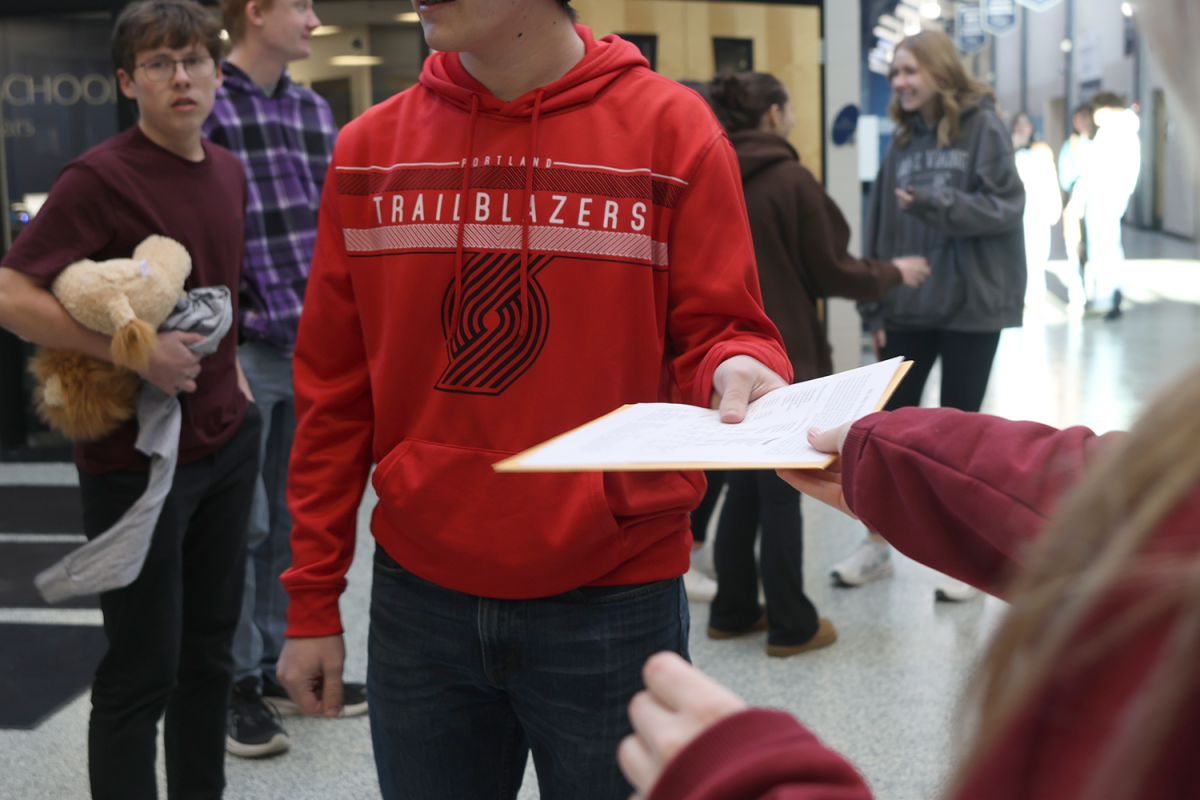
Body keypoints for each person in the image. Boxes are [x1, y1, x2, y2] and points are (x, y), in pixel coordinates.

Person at [273, 0, 793, 797]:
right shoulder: (370, 149)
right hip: (421, 595)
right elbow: (334, 394)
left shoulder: (670, 128)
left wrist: (740, 365)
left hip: (614, 596)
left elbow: (725, 327)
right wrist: (313, 599)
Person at [0, 2, 258, 797]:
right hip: (136, 461)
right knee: (142, 668)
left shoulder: (227, 169)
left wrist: (238, 380)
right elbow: (11, 292)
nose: (180, 77)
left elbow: (223, 293)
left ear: (218, 72)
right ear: (127, 80)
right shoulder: (99, 178)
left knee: (208, 658)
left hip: (224, 441)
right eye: (158, 64)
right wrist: (131, 353)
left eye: (193, 60)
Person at [702, 71, 930, 656]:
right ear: (775, 115)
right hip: (785, 356)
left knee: (741, 488)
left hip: (726, 356)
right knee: (781, 491)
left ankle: (731, 609)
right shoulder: (789, 179)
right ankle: (791, 624)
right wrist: (891, 272)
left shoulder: (709, 171)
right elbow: (831, 267)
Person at [202, 0, 350, 759]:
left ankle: (270, 666)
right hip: (246, 346)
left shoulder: (312, 107)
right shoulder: (211, 102)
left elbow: (333, 228)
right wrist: (220, 348)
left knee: (293, 520)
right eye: (302, 6)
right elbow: (198, 235)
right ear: (256, 13)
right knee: (244, 523)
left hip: (311, 344)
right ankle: (229, 680)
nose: (316, 20)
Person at [834, 30, 1025, 600]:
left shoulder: (983, 128)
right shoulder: (902, 141)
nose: (900, 82)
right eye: (894, 73)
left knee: (963, 436)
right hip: (911, 306)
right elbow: (880, 229)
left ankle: (967, 558)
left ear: (941, 72)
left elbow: (1007, 207)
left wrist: (939, 202)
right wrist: (874, 309)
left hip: (973, 305)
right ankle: (875, 545)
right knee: (884, 428)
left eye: (910, 71)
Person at [1067, 92, 1142, 320]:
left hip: (1105, 197)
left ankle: (1107, 300)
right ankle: (1109, 298)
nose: (1094, 114)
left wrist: (1080, 195)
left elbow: (1095, 170)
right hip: (1109, 197)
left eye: (1097, 109)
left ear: (1109, 109)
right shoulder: (1121, 131)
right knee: (1109, 249)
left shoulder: (1114, 133)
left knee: (1105, 250)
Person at [1011, 111, 1062, 312]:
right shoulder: (1008, 151)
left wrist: (1054, 205)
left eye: (1025, 124)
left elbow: (1050, 179)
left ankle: (1033, 297)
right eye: (1017, 124)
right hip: (1016, 213)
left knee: (1036, 255)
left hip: (1036, 211)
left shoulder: (1040, 150)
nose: (1021, 128)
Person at [1057, 104, 1095, 311]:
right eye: (1078, 118)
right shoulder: (1069, 145)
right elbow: (1065, 178)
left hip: (1095, 204)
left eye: (1085, 117)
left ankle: (1096, 293)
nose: (1082, 122)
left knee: (1094, 251)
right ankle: (1078, 295)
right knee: (1074, 249)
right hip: (1074, 203)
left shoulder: (1097, 143)